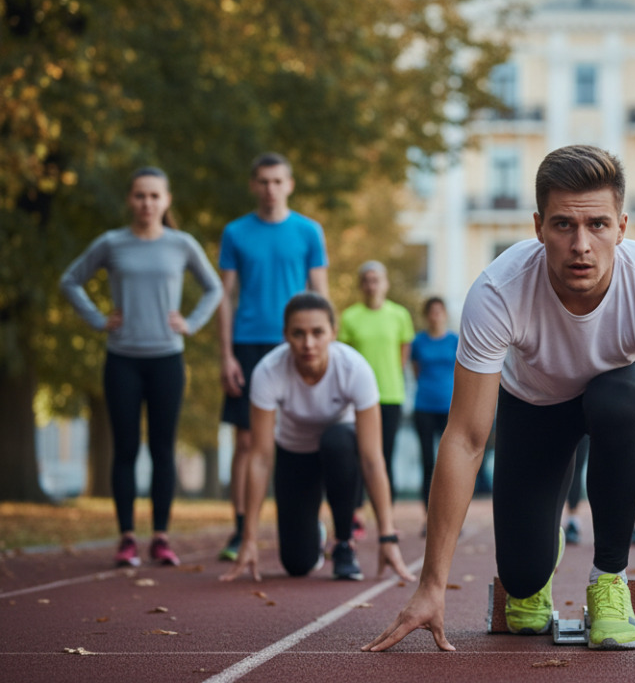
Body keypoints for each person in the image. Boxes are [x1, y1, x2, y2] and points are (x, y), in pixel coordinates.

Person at [364, 145, 635, 654]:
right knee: (521, 580)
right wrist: (431, 585)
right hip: (535, 404)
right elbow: (465, 439)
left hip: (621, 392)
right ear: (538, 227)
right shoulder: (498, 291)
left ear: (622, 227)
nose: (581, 245)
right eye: (563, 225)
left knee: (612, 401)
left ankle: (609, 578)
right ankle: (543, 550)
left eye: (597, 225)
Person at [60, 167, 222, 567]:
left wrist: (191, 322)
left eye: (154, 196)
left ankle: (161, 538)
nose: (147, 203)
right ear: (129, 200)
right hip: (123, 360)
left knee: (163, 450)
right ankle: (127, 538)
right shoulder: (111, 243)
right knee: (126, 449)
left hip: (167, 359)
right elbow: (70, 281)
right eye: (139, 195)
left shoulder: (181, 244)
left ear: (166, 201)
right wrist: (98, 319)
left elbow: (214, 287)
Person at [220, 293, 416, 583]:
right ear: (285, 335)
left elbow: (372, 459)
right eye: (298, 333)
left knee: (336, 440)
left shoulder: (355, 369)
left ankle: (344, 542)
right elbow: (260, 458)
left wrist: (387, 536)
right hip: (294, 452)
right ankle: (315, 531)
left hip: (340, 448)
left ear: (333, 333)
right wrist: (248, 538)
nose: (308, 343)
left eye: (317, 332)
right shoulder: (268, 371)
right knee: (297, 564)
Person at [217, 153, 329, 563]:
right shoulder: (235, 232)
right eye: (263, 181)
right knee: (247, 440)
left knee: (304, 435)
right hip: (248, 343)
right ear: (253, 185)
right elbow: (224, 297)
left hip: (299, 344)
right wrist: (226, 354)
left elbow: (321, 295)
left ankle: (308, 521)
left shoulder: (309, 231)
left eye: (277, 181)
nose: (270, 189)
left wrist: (325, 347)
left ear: (289, 185)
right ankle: (241, 528)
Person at [339, 261, 415, 494]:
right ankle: (356, 508)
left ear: (385, 284)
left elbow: (404, 350)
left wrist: (393, 373)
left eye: (376, 280)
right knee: (357, 454)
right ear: (361, 285)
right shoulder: (349, 317)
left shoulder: (399, 315)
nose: (371, 285)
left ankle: (387, 509)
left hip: (390, 394)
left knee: (386, 454)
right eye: (367, 281)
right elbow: (344, 357)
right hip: (357, 397)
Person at [410, 296, 458, 524]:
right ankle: (428, 518)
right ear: (426, 315)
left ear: (445, 314)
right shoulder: (418, 342)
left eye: (439, 311)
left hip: (449, 408)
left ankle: (450, 519)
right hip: (424, 407)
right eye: (432, 311)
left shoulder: (455, 340)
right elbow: (415, 370)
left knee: (449, 463)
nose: (435, 315)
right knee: (428, 462)